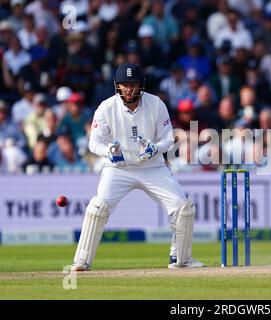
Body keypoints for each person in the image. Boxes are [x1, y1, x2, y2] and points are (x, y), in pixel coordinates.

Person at [71, 63, 204, 271]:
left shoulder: (156, 104)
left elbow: (168, 139)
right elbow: (93, 143)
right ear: (117, 86)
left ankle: (180, 258)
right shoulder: (106, 108)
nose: (129, 89)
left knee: (183, 208)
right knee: (98, 208)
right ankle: (82, 260)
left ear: (141, 85)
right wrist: (109, 151)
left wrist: (154, 149)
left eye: (133, 84)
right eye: (125, 85)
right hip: (119, 168)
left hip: (152, 167)